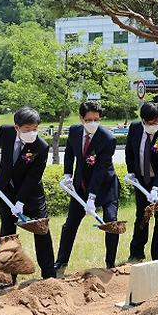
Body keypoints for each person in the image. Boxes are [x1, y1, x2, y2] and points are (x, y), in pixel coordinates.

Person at [0, 106, 56, 281]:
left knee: (41, 230)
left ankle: (48, 274)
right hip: (6, 189)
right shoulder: (6, 132)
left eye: (35, 129)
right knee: (7, 233)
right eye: (27, 129)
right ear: (16, 128)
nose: (31, 132)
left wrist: (21, 201)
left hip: (31, 194)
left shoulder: (41, 147)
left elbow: (34, 176)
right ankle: (8, 277)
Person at [56, 101, 120, 273]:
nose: (93, 123)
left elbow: (100, 170)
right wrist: (68, 174)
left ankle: (110, 263)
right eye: (89, 119)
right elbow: (69, 152)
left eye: (96, 119)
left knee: (111, 222)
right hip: (81, 186)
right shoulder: (75, 131)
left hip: (105, 186)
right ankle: (61, 261)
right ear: (81, 118)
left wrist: (92, 198)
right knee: (70, 224)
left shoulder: (107, 139)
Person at [124, 102, 158, 262]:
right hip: (142, 181)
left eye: (155, 122)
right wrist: (131, 172)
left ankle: (157, 254)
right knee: (141, 217)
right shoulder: (135, 128)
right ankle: (136, 253)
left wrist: (156, 188)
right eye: (147, 123)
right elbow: (129, 152)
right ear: (142, 120)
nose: (151, 126)